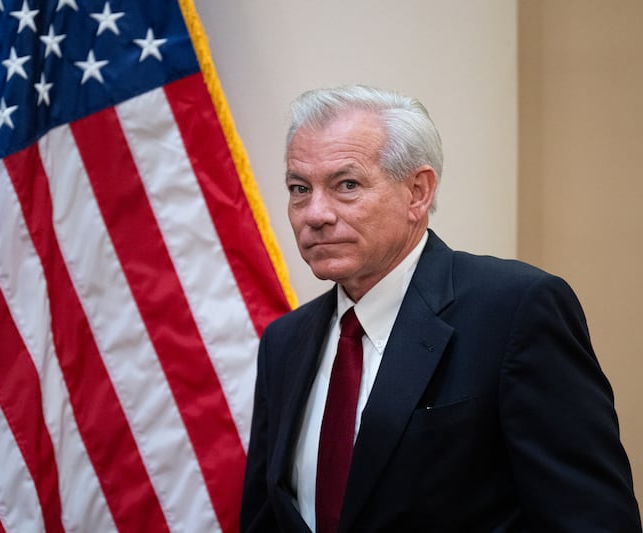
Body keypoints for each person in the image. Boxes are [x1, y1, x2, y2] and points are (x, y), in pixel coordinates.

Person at [240, 85, 641, 532]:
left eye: (346, 185)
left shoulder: (516, 311)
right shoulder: (283, 341)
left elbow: (592, 520)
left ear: (417, 192)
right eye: (299, 188)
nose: (315, 213)